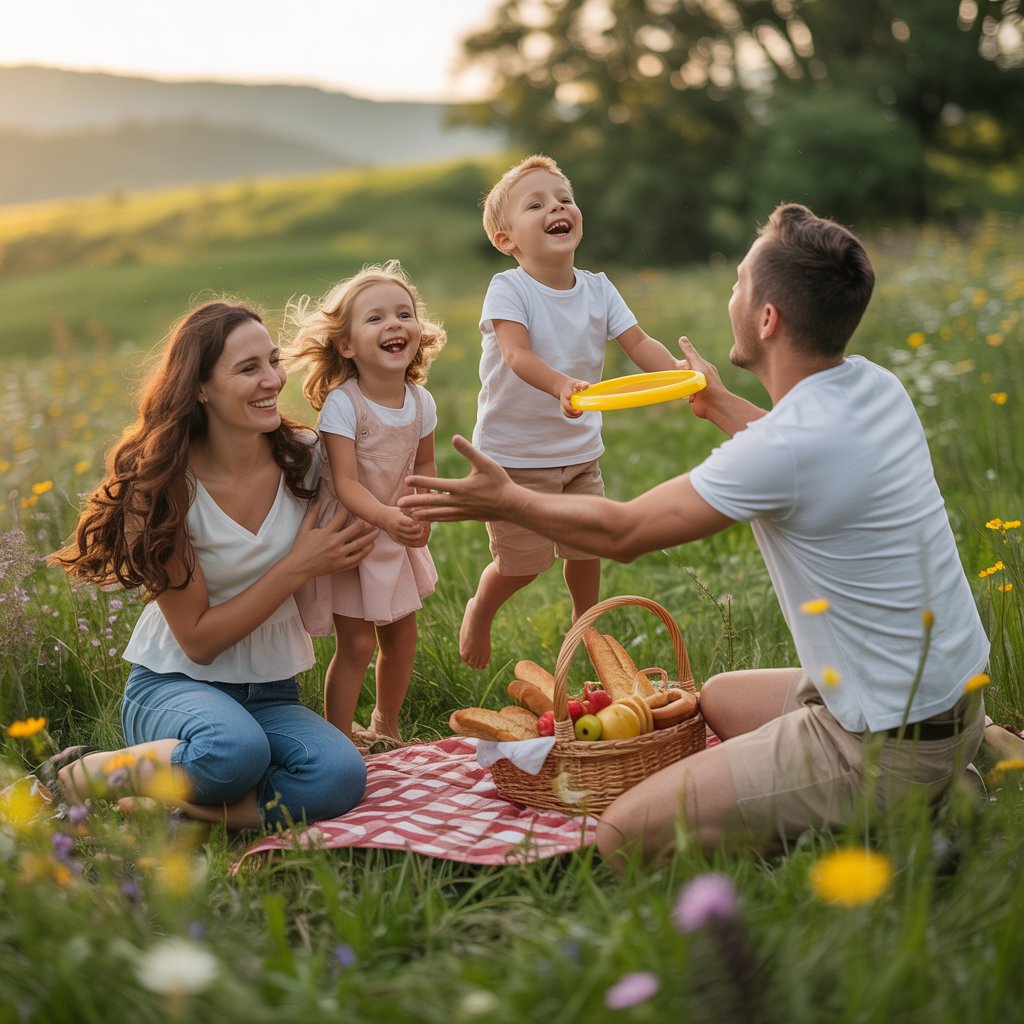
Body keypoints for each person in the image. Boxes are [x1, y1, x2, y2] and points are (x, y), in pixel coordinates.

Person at [400, 202, 993, 864]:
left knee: (625, 835)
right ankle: (939, 783)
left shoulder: (786, 448)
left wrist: (509, 500)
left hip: (886, 743)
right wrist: (715, 404)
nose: (730, 293)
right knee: (716, 700)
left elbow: (625, 533)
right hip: (949, 705)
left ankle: (902, 820)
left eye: (740, 283)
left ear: (767, 319)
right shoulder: (873, 387)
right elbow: (793, 449)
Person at [47, 300, 376, 829]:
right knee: (233, 752)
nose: (272, 379)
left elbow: (387, 456)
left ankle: (188, 812)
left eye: (273, 360)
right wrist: (297, 567)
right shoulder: (166, 488)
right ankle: (84, 773)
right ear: (200, 387)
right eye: (248, 369)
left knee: (340, 775)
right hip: (174, 688)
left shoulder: (307, 459)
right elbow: (198, 640)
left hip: (271, 692)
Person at [459, 153, 686, 668]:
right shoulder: (509, 289)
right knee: (523, 564)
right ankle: (481, 607)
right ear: (506, 239)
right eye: (534, 204)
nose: (556, 207)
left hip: (579, 451)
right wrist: (562, 385)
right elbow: (516, 355)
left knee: (588, 550)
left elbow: (638, 342)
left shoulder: (599, 288)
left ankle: (587, 626)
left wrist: (676, 374)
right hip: (517, 457)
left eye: (564, 199)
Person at [282, 261, 446, 743]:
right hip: (353, 535)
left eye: (403, 314)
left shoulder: (421, 402)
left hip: (396, 530)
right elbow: (347, 483)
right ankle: (338, 739)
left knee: (402, 637)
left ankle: (386, 726)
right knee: (355, 644)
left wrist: (420, 511)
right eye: (375, 318)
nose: (394, 324)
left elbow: (426, 466)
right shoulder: (344, 404)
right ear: (346, 345)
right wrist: (386, 518)